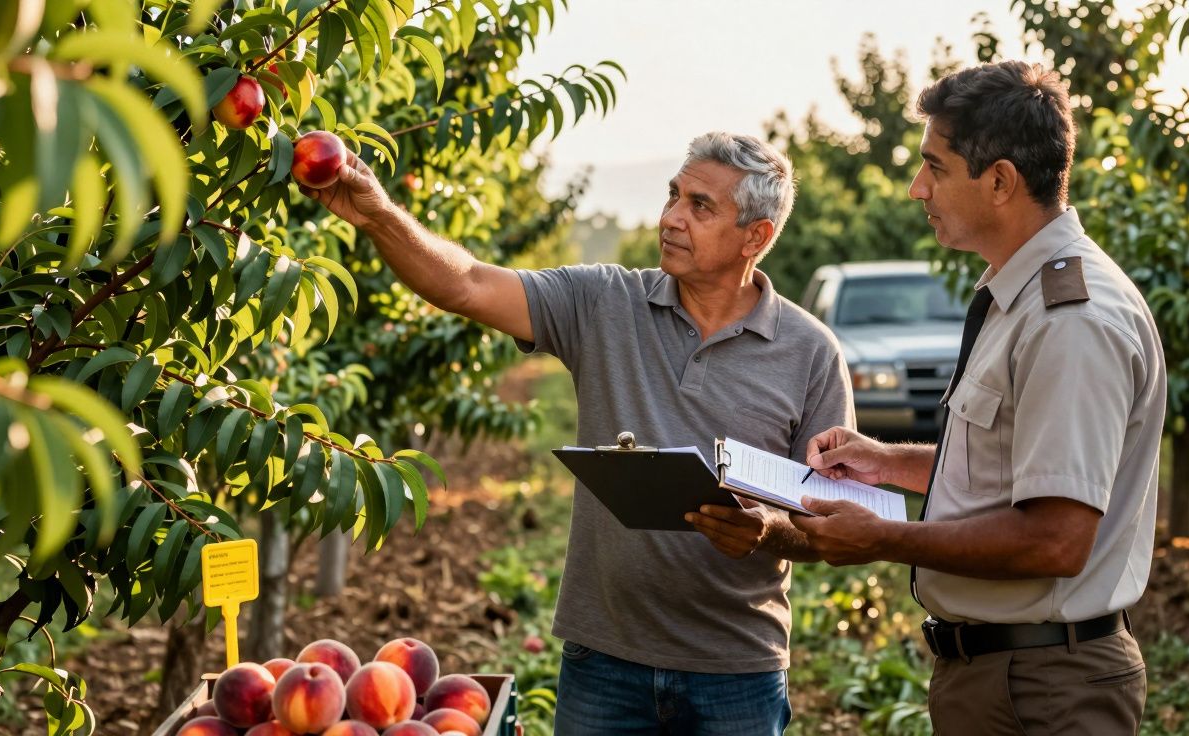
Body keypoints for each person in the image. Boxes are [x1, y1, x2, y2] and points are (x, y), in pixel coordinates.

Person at [302, 132, 852, 734]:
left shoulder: (810, 354)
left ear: (757, 236)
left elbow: (835, 527)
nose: (671, 218)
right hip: (604, 659)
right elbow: (466, 284)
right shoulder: (604, 302)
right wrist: (378, 214)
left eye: (700, 207)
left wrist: (763, 530)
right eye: (674, 195)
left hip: (735, 670)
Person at [792, 61, 1166, 735]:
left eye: (935, 167)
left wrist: (884, 538)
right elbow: (1014, 470)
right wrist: (887, 463)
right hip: (1007, 678)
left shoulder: (1069, 320)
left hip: (1044, 689)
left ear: (999, 181)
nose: (917, 189)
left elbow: (1055, 539)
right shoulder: (1020, 297)